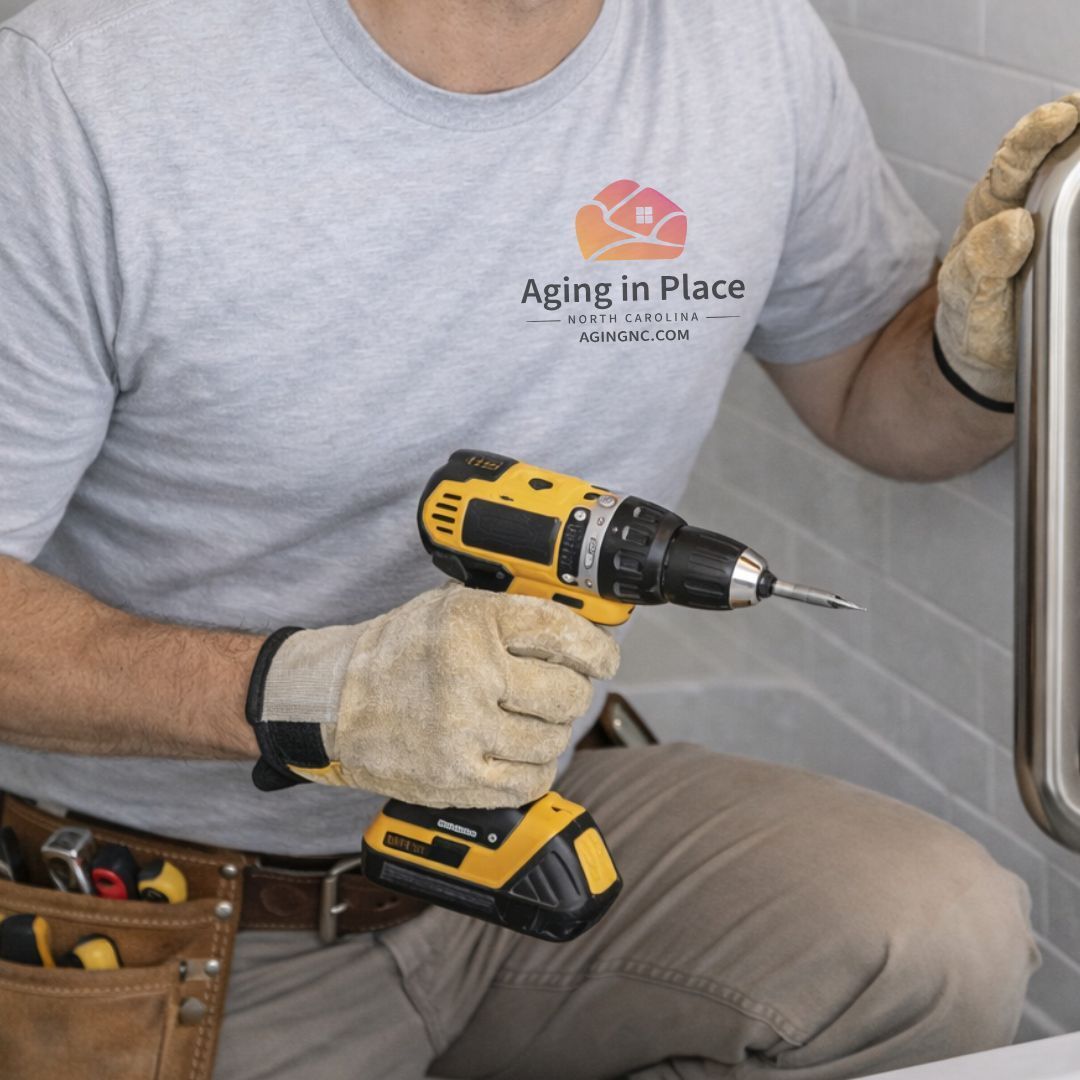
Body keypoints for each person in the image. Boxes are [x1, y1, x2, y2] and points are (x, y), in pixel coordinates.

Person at [0, 0, 1060, 1076]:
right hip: (182, 919)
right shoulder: (84, 86)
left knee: (931, 940)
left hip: (535, 837)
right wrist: (291, 689)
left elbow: (869, 395)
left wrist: (977, 357)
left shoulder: (747, 39)